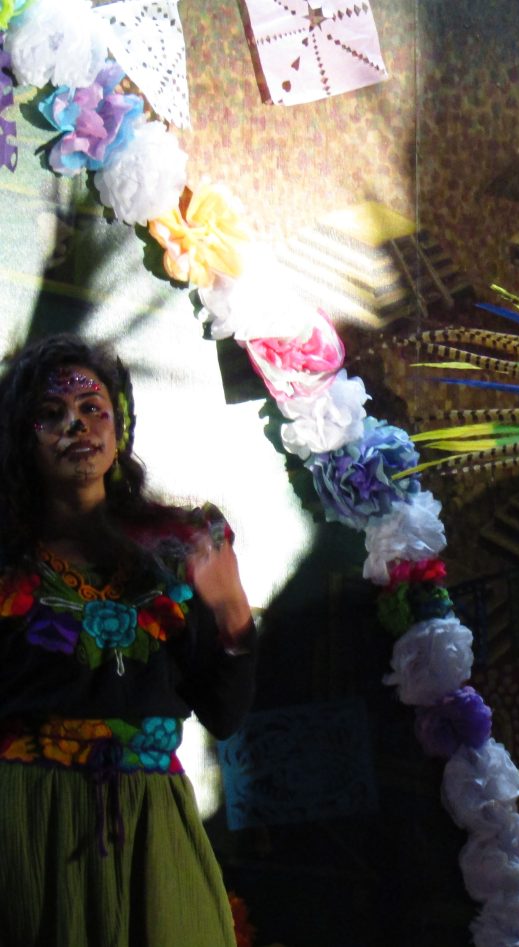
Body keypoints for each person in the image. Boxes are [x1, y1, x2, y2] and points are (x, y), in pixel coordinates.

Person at [0, 334, 257, 947]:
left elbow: (223, 714)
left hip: (151, 822)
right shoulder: (6, 562)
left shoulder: (178, 546)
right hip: (28, 816)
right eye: (51, 415)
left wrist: (232, 616)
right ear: (23, 438)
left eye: (93, 409)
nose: (75, 426)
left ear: (119, 427)